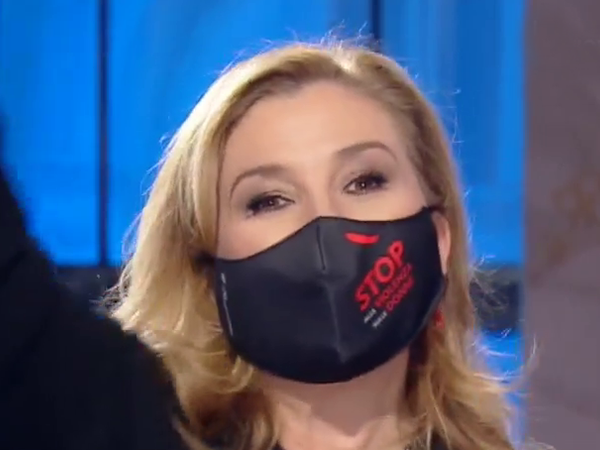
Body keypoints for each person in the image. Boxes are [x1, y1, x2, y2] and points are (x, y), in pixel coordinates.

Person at [0, 41, 519, 450]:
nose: (324, 223)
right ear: (206, 268)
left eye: (364, 181)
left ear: (439, 238)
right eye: (269, 200)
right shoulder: (114, 421)